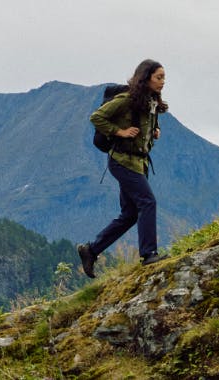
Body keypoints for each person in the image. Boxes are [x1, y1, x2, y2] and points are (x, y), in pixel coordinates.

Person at [78, 59, 169, 278]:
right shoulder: (127, 99)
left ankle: (91, 250)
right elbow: (97, 117)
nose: (163, 82)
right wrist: (119, 132)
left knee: (129, 214)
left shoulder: (151, 101)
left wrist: (155, 130)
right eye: (159, 77)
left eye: (164, 77)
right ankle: (149, 255)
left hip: (139, 162)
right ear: (145, 77)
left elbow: (145, 124)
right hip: (122, 161)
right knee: (147, 202)